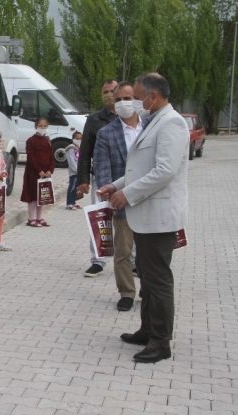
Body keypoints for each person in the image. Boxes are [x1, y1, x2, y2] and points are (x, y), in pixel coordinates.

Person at [98, 73, 189, 363]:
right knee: (148, 278)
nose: (134, 102)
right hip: (146, 215)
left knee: (158, 280)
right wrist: (117, 185)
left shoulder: (172, 123)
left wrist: (128, 195)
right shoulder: (155, 121)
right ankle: (148, 329)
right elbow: (141, 168)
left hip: (159, 216)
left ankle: (161, 342)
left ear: (152, 96)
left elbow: (164, 171)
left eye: (137, 96)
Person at [94, 81, 142, 312]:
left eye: (128, 98)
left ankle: (149, 289)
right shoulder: (106, 133)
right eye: (119, 99)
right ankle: (126, 292)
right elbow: (102, 165)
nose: (124, 103)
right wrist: (106, 191)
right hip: (121, 199)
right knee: (123, 251)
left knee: (149, 252)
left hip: (149, 199)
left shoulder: (150, 126)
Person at [78, 79, 118, 277]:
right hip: (100, 177)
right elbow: (85, 151)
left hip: (126, 177)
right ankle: (98, 259)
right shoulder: (94, 120)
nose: (109, 94)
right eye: (105, 91)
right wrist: (82, 179)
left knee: (130, 220)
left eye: (112, 91)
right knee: (100, 218)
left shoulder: (131, 117)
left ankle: (134, 260)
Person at [20, 117, 55, 227]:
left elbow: (51, 157)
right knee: (33, 196)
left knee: (42, 196)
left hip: (46, 173)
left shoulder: (48, 140)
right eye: (40, 126)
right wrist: (39, 170)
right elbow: (31, 157)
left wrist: (50, 170)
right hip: (33, 173)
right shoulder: (31, 140)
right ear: (36, 126)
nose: (43, 128)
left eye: (45, 126)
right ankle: (32, 218)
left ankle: (40, 218)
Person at [65, 131, 82, 210]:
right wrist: (76, 170)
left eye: (80, 138)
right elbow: (71, 161)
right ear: (73, 139)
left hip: (79, 171)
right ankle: (69, 203)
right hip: (74, 172)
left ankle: (73, 202)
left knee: (76, 188)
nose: (79, 140)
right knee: (72, 187)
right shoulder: (71, 148)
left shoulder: (80, 148)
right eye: (77, 138)